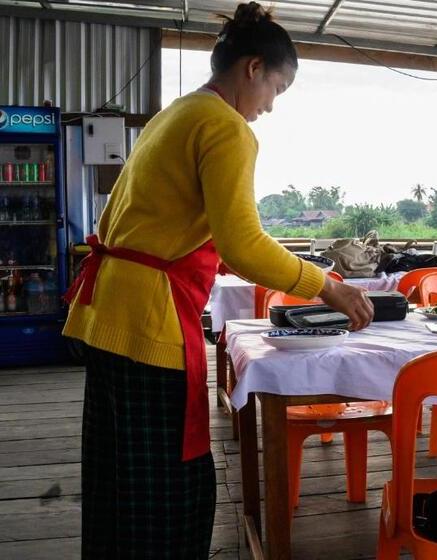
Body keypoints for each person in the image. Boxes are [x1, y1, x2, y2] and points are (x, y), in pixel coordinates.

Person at [63, 3, 374, 557]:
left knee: (116, 483)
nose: (270, 106)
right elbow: (243, 243)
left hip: (106, 314)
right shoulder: (227, 128)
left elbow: (168, 227)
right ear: (253, 68)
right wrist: (328, 284)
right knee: (167, 493)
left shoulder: (176, 113)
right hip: (147, 324)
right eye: (276, 88)